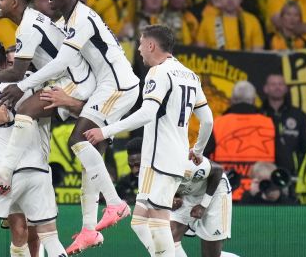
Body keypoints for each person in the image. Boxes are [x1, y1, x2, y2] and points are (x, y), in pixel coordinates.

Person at [0, 0, 140, 254]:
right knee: (89, 157)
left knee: (75, 140)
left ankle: (117, 204)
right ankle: (87, 229)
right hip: (96, 88)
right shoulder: (67, 19)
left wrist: (28, 85)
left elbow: (63, 61)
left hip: (115, 87)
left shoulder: (81, 18)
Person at [84, 25, 213, 256]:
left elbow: (146, 113)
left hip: (159, 158)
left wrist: (105, 131)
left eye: (141, 44)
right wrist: (198, 149)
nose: (140, 50)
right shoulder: (191, 76)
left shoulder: (158, 72)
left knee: (159, 220)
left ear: (151, 45)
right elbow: (208, 120)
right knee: (139, 220)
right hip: (175, 155)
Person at [0, 40, 68, 257]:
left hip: (4, 173)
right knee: (50, 238)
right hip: (38, 170)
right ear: (6, 63)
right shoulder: (31, 83)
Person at [204, 81, 275, 201]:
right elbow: (284, 159)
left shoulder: (218, 123)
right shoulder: (269, 123)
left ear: (232, 100)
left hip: (226, 191)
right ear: (253, 100)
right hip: (262, 193)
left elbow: (203, 158)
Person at [171, 158, 232, 257]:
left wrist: (203, 205)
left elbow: (218, 170)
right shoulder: (152, 171)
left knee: (211, 255)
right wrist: (174, 197)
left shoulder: (189, 163)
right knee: (169, 239)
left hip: (215, 190)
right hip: (189, 193)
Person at [261, 74, 306, 176]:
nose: (277, 87)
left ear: (286, 89)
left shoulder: (298, 115)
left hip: (292, 174)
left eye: (280, 84)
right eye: (273, 84)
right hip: (264, 172)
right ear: (265, 89)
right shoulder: (259, 114)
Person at [196, 0, 264, 51]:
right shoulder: (207, 21)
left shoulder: (252, 21)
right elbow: (200, 53)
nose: (230, 0)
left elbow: (258, 53)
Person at [115, 137, 141, 206]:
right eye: (131, 166)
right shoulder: (124, 184)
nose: (134, 170)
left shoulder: (163, 181)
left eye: (138, 165)